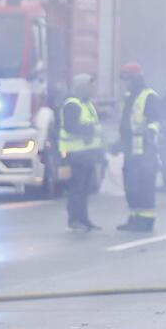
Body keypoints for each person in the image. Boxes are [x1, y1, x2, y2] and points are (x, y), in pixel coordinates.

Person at [58, 74, 104, 232]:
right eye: (89, 86)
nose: (92, 89)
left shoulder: (88, 104)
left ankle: (84, 219)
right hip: (76, 154)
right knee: (76, 189)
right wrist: (89, 131)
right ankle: (74, 220)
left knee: (85, 189)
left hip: (88, 154)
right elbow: (71, 127)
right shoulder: (72, 104)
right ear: (81, 87)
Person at [116, 62, 159, 233]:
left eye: (127, 79)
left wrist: (149, 133)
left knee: (144, 187)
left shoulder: (149, 96)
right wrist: (119, 143)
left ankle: (146, 219)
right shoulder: (130, 97)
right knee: (131, 187)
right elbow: (127, 125)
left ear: (135, 79)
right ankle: (135, 217)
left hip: (145, 152)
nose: (125, 83)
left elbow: (156, 121)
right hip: (131, 150)